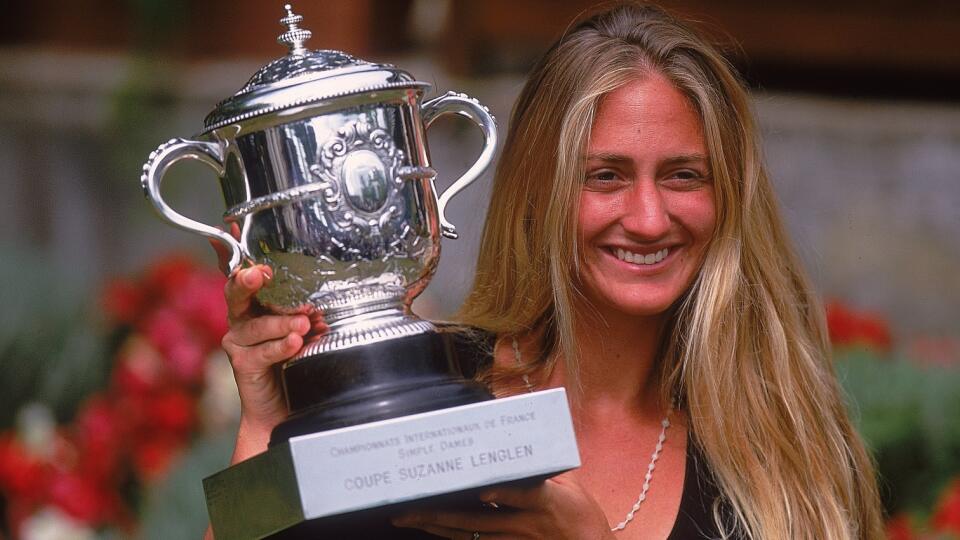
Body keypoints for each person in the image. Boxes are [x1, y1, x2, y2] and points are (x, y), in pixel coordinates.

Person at [216, 2, 885, 539]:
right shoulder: (429, 396)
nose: (649, 218)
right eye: (606, 176)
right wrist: (266, 426)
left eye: (685, 176)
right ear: (541, 189)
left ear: (729, 197)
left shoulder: (782, 444)